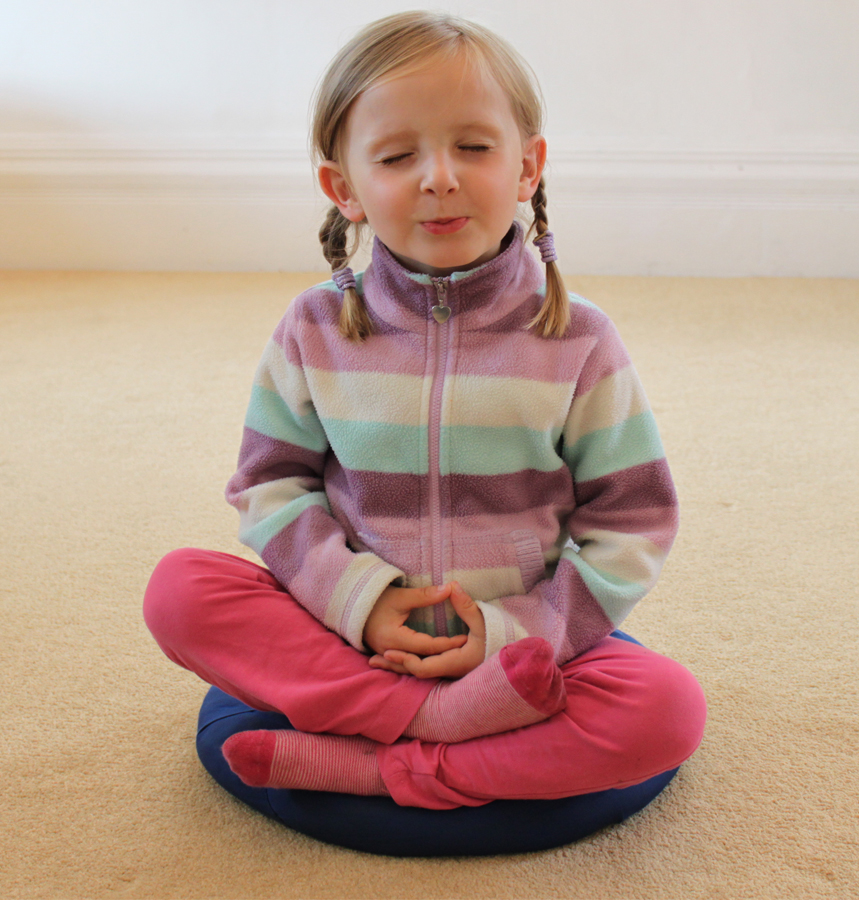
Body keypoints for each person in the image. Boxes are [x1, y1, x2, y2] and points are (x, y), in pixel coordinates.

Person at [143, 10, 706, 811]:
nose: (438, 176)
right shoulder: (312, 330)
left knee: (665, 708)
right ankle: (441, 725)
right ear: (346, 189)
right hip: (347, 635)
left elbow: (633, 520)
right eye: (398, 155)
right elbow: (269, 489)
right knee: (179, 591)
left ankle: (388, 765)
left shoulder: (579, 339)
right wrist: (362, 606)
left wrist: (517, 631)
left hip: (516, 653)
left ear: (527, 168)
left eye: (473, 147)